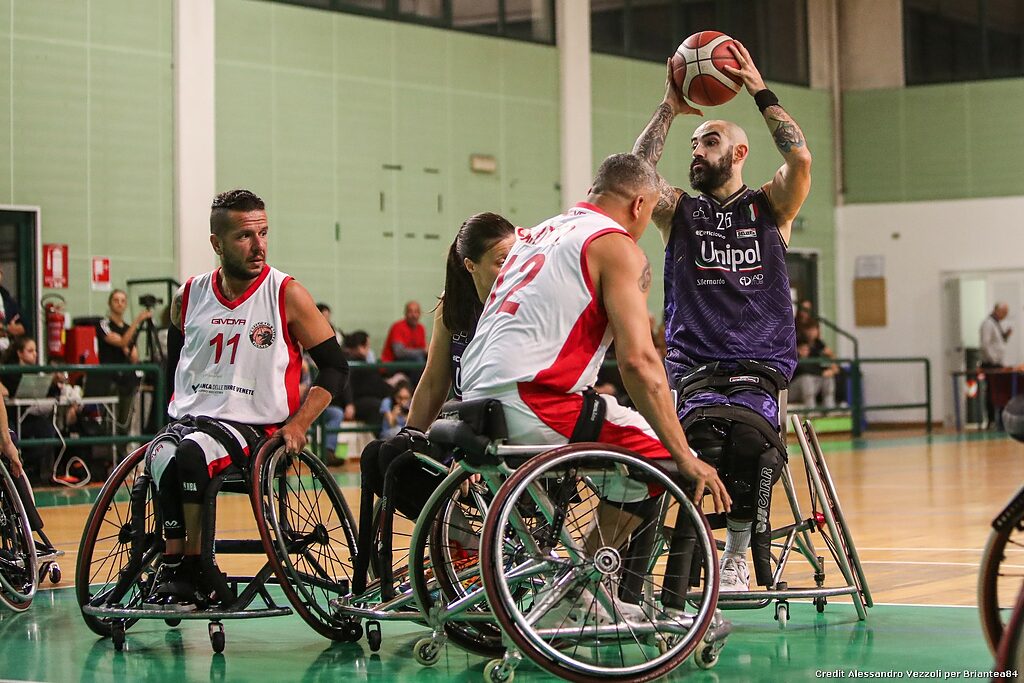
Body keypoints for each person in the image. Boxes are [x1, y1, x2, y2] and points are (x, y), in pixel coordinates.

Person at [461, 153, 730, 573]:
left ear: (593, 191)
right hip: (534, 400)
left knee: (620, 440)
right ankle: (585, 584)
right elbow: (638, 362)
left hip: (473, 396)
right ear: (639, 205)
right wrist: (684, 455)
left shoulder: (536, 234)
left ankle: (580, 579)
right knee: (662, 458)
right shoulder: (616, 246)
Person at [632, 41, 812, 592]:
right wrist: (670, 106)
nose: (697, 150)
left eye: (709, 141)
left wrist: (759, 89)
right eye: (694, 143)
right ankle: (685, 563)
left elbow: (800, 159)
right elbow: (636, 174)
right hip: (696, 369)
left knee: (751, 445)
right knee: (703, 446)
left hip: (759, 365)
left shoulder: (770, 207)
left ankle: (736, 554)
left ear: (738, 153)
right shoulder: (678, 212)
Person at [144, 189, 349, 611]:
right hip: (193, 421)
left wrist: (299, 424)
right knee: (161, 454)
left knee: (191, 453)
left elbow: (336, 367)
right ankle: (172, 561)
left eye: (264, 233)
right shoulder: (189, 296)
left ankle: (197, 568)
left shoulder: (286, 294)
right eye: (244, 236)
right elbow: (175, 365)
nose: (259, 246)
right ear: (216, 243)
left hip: (257, 429)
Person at [358, 213, 515, 521]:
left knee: (399, 457)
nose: (512, 269)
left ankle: (461, 540)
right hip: (467, 427)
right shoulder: (453, 303)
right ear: (470, 265)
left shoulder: (521, 302)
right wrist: (411, 434)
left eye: (515, 258)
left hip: (505, 436)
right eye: (501, 261)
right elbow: (433, 380)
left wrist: (474, 449)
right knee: (383, 455)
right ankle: (459, 537)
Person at [96, 289, 152, 454]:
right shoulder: (104, 324)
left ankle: (122, 455)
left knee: (124, 422)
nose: (119, 304)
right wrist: (138, 321)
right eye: (116, 300)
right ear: (110, 303)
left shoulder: (128, 328)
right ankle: (108, 457)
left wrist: (128, 343)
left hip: (127, 380)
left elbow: (134, 356)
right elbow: (121, 342)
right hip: (110, 379)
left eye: (122, 300)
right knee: (111, 421)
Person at [981, 303, 1013, 430]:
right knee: (991, 392)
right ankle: (991, 420)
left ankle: (999, 419)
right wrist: (993, 360)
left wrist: (1005, 336)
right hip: (991, 364)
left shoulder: (996, 323)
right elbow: (985, 344)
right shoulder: (988, 324)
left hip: (997, 363)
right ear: (997, 310)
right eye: (1004, 312)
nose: (1005, 315)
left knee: (999, 391)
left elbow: (997, 343)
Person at [0, 266, 26, 353]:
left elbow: (23, 328)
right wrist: (9, 330)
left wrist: (4, 328)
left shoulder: (7, 298)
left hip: (7, 353)